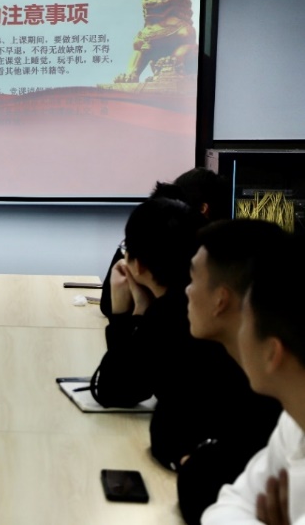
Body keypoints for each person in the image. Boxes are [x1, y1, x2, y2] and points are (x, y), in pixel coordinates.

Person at [90, 197, 255, 476]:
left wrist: (125, 317)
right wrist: (142, 311)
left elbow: (114, 389)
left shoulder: (175, 312)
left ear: (138, 264)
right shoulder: (179, 307)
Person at [179, 219, 284, 524]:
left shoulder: (282, 405)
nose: (186, 291)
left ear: (222, 300)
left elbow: (202, 490)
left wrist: (199, 459)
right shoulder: (216, 355)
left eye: (192, 279)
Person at [202, 232, 305, 524]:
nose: (239, 333)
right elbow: (225, 508)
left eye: (244, 321)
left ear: (272, 353)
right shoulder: (294, 422)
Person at [100, 167, 231, 318]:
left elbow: (111, 306)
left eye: (179, 201)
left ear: (203, 209)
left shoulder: (193, 258)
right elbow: (108, 305)